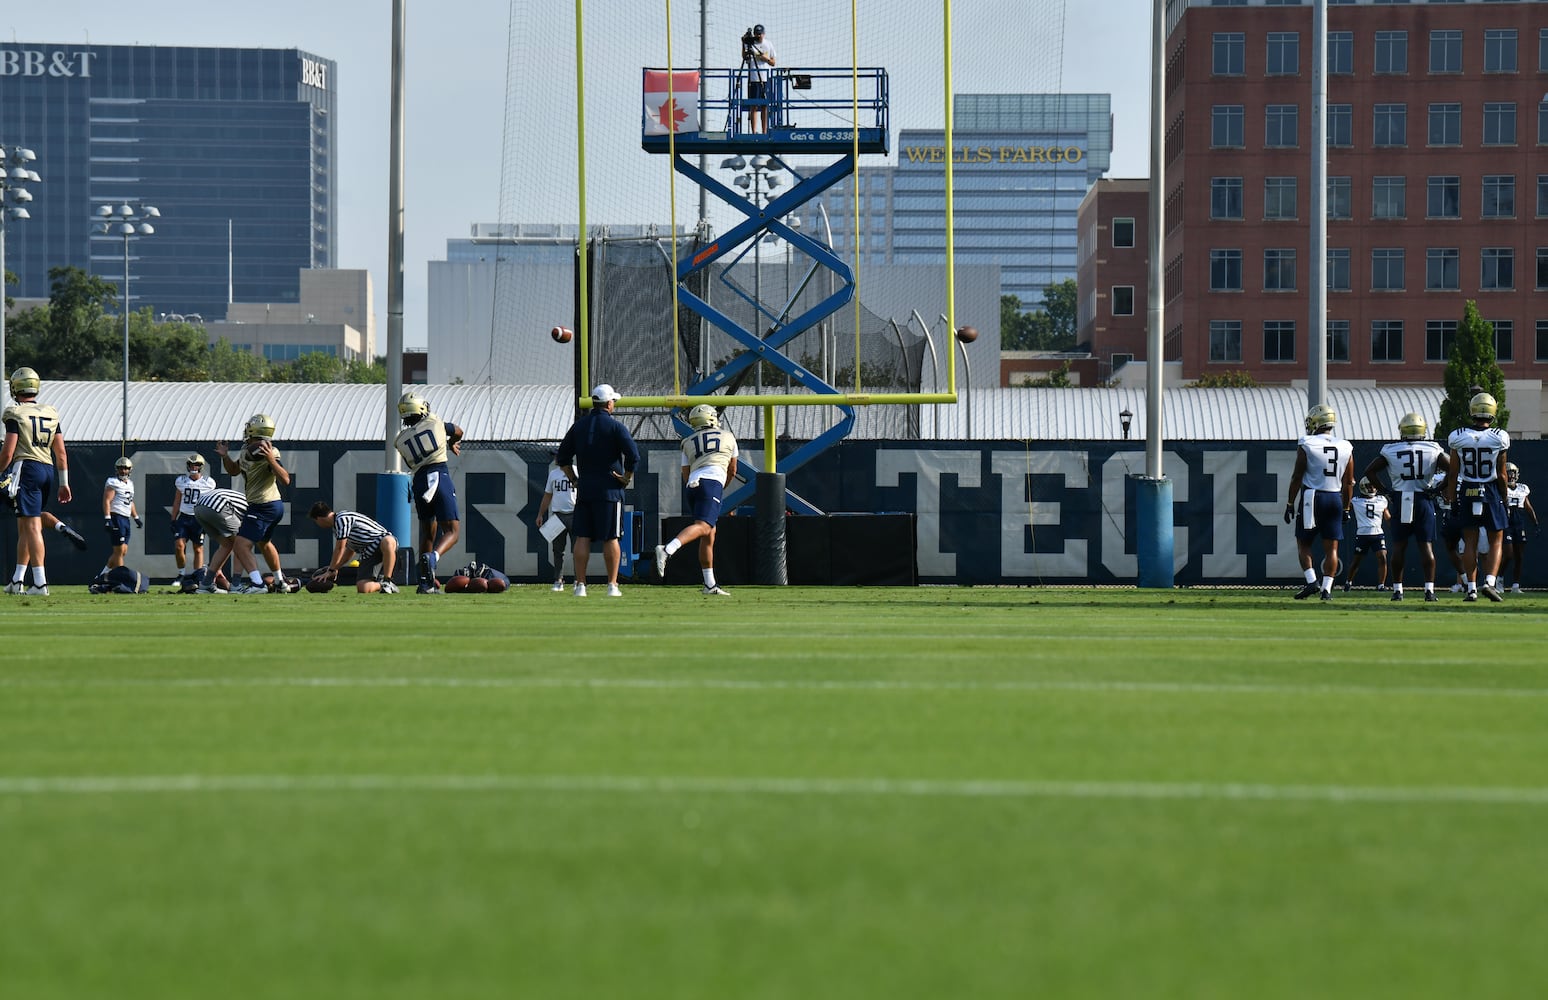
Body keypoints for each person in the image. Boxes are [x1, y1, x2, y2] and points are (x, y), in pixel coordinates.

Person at [555, 383, 640, 597]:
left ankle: (580, 585)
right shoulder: (615, 427)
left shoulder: (579, 426)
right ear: (609, 403)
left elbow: (562, 457)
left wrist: (574, 479)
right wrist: (626, 477)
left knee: (582, 537)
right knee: (611, 538)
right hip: (610, 491)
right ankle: (612, 585)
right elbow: (633, 456)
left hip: (585, 490)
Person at [1, 367, 73, 596]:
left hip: (27, 468)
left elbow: (8, 452)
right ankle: (17, 580)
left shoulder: (15, 412)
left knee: (32, 526)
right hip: (48, 469)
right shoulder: (50, 412)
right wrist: (64, 482)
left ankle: (40, 583)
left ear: (15, 387)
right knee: (25, 525)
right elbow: (61, 452)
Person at [655, 403, 739, 596]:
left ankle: (710, 584)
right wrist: (718, 488)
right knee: (704, 527)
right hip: (712, 481)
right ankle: (667, 549)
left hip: (694, 483)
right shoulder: (728, 437)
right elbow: (732, 470)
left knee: (709, 533)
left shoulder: (687, 441)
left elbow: (685, 473)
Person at [1363, 411, 1447, 602]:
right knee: (1426, 547)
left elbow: (1369, 471)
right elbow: (1453, 470)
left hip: (1401, 498)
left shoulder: (1392, 450)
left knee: (1399, 547)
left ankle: (1398, 590)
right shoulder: (1432, 448)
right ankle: (1429, 591)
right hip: (1423, 499)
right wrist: (1436, 489)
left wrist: (1386, 491)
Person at [394, 391, 464, 594]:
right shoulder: (434, 422)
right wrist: (451, 443)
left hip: (419, 481)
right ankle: (433, 558)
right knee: (452, 532)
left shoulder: (399, 440)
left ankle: (425, 583)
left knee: (427, 531)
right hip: (439, 475)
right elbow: (458, 431)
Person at [217, 413, 295, 595]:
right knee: (265, 543)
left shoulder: (269, 452)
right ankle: (280, 582)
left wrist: (270, 460)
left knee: (240, 544)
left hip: (264, 505)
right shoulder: (247, 451)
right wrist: (225, 456)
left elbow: (285, 479)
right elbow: (234, 471)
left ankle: (257, 583)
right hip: (266, 506)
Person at [1444, 391, 1510, 603]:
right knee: (1496, 539)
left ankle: (1471, 589)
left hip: (1468, 489)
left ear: (1472, 410)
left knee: (1469, 541)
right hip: (1490, 489)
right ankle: (1490, 583)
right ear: (1492, 412)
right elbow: (1501, 474)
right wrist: (1505, 497)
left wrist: (1453, 499)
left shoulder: (1458, 436)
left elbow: (1453, 473)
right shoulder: (1499, 436)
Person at [1285, 402, 1354, 601]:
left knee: (1303, 542)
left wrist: (1290, 502)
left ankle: (1311, 581)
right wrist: (1347, 507)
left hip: (1312, 498)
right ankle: (1327, 589)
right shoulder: (1345, 446)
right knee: (1332, 548)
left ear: (1316, 422)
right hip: (1334, 497)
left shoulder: (1307, 443)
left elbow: (1297, 476)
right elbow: (1348, 482)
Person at [307, 501, 400, 594]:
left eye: (316, 521)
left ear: (319, 518)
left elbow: (340, 548)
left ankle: (388, 580)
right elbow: (350, 551)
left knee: (387, 541)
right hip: (369, 553)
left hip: (381, 541)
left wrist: (331, 569)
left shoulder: (342, 519)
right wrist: (336, 568)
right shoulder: (337, 528)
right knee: (362, 588)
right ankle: (383, 585)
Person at [189, 485, 249, 593]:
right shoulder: (256, 509)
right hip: (217, 504)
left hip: (198, 507)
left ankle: (206, 583)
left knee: (227, 545)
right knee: (241, 545)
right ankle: (236, 585)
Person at [170, 453, 216, 593]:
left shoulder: (209, 482)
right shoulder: (182, 481)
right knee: (179, 546)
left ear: (201, 467)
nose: (193, 467)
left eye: (196, 465)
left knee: (198, 549)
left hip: (199, 518)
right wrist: (173, 518)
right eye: (191, 465)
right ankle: (181, 573)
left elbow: (211, 503)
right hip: (184, 518)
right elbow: (177, 500)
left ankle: (198, 575)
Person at [536, 449, 576, 592]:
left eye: (558, 456)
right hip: (558, 515)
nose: (556, 458)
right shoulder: (553, 474)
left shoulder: (576, 471)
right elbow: (548, 495)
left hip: (574, 514)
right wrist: (540, 514)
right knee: (558, 551)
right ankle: (558, 580)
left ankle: (579, 581)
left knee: (577, 550)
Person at [1341, 477, 1390, 592]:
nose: (1372, 488)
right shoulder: (1356, 501)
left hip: (1378, 533)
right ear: (1363, 486)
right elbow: (1345, 506)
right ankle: (1348, 582)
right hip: (1362, 534)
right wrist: (1349, 486)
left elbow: (1388, 517)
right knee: (1357, 561)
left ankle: (1381, 585)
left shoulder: (1382, 500)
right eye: (1369, 485)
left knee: (1382, 557)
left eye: (1373, 485)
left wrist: (1394, 526)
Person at [101, 456, 143, 574]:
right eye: (121, 468)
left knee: (122, 551)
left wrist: (136, 517)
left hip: (125, 519)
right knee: (119, 551)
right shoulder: (113, 482)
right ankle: (121, 577)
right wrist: (108, 518)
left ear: (130, 469)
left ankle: (102, 575)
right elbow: (107, 500)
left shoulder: (130, 484)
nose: (123, 471)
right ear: (116, 469)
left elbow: (130, 502)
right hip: (116, 517)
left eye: (125, 468)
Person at [1501, 462, 1539, 593]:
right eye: (1508, 472)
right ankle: (1499, 578)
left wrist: (1535, 523)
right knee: (1508, 554)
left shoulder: (1523, 488)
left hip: (1519, 522)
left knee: (1519, 556)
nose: (1511, 475)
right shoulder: (1500, 487)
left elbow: (1528, 506)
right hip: (1506, 523)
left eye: (1513, 472)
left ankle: (1516, 585)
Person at [744, 24, 776, 133]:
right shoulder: (750, 44)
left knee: (764, 105)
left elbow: (773, 62)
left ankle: (764, 130)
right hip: (753, 79)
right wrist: (743, 42)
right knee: (753, 105)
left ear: (764, 34)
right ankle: (754, 131)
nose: (758, 36)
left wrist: (765, 58)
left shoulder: (768, 44)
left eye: (760, 34)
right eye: (756, 34)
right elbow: (744, 57)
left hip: (765, 78)